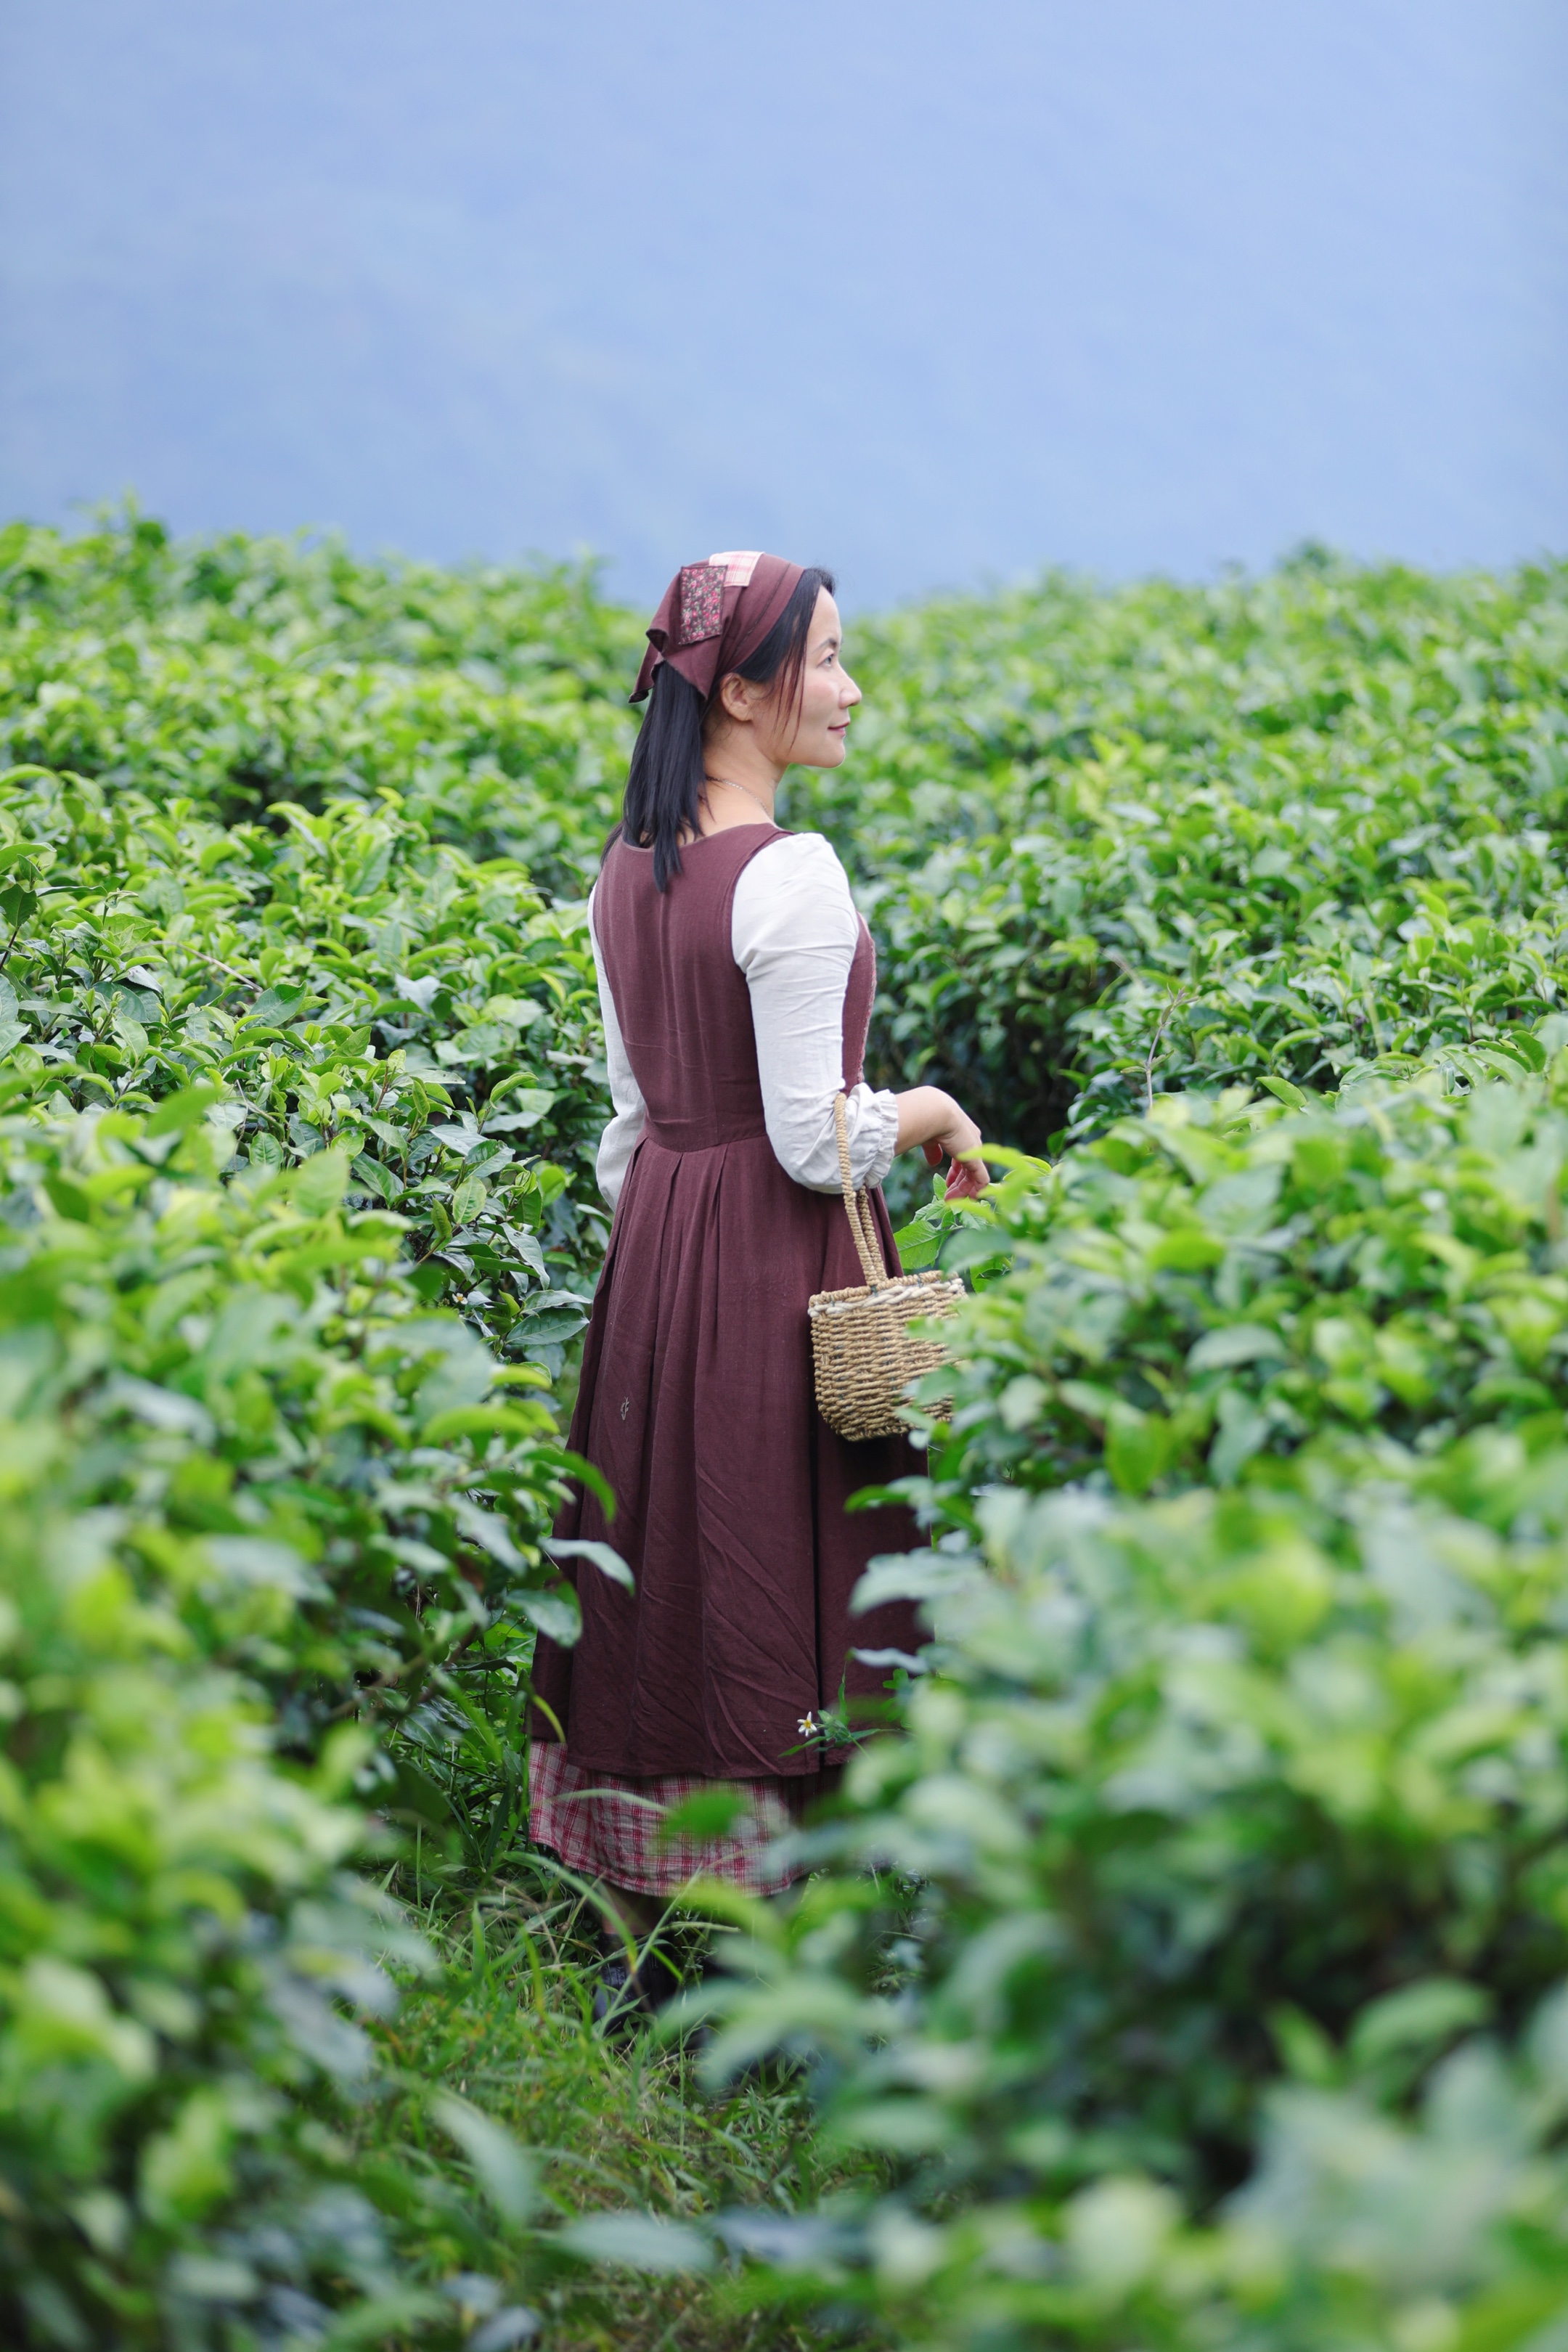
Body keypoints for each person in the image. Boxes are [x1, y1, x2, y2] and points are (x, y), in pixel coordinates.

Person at [526, 551, 987, 2009]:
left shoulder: (627, 868)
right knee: (775, 1564)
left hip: (662, 1250)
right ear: (738, 694)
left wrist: (660, 1273)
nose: (850, 690)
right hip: (769, 1264)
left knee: (670, 1568)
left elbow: (626, 1127)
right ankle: (798, 1948)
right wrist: (930, 1113)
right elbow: (814, 1142)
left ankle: (648, 1927)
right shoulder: (791, 872)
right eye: (827, 661)